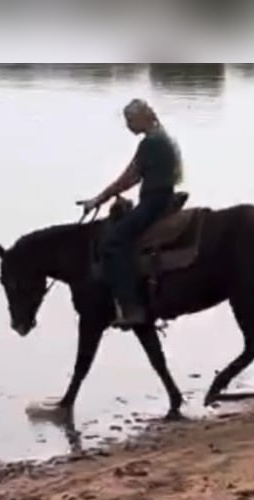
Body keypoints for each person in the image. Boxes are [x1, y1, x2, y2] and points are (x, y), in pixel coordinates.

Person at [77, 98, 184, 329]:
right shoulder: (162, 137)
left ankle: (131, 308)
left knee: (111, 244)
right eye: (127, 121)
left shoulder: (152, 142)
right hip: (162, 197)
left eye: (130, 120)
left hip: (154, 201)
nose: (128, 125)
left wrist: (98, 199)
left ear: (144, 117)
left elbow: (130, 177)